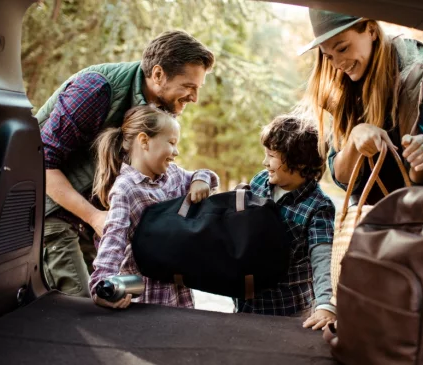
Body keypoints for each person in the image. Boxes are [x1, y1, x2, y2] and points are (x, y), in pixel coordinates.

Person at [38, 30, 215, 297]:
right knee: (85, 302)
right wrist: (95, 216)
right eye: (189, 87)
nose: (194, 98)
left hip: (92, 218)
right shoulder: (95, 90)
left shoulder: (158, 110)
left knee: (115, 297)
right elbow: (41, 164)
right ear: (157, 75)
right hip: (50, 209)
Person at [299, 8, 423, 205]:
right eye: (328, 56)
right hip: (365, 217)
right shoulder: (341, 87)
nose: (337, 64)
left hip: (415, 211)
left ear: (371, 30)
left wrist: (421, 159)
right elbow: (343, 179)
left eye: (342, 48)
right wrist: (355, 138)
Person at [88, 105, 219, 309]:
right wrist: (101, 285)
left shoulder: (172, 175)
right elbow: (113, 239)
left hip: (178, 292)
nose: (176, 152)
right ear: (144, 141)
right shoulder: (126, 189)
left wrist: (200, 179)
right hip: (147, 296)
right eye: (172, 142)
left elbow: (201, 175)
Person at [237, 115, 337, 331]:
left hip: (288, 311)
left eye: (271, 156)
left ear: (299, 162)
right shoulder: (259, 182)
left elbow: (322, 258)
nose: (265, 162)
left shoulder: (319, 207)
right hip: (246, 303)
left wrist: (325, 304)